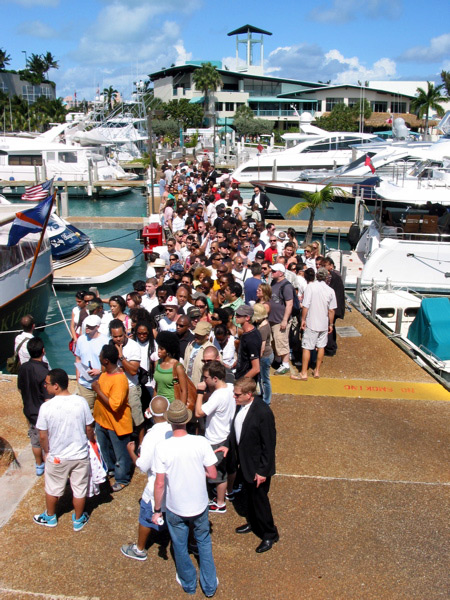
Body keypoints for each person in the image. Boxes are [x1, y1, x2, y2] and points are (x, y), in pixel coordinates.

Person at [152, 400, 218, 597]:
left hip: (175, 506)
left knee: (179, 545)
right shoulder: (201, 442)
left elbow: (159, 483)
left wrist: (157, 510)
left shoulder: (162, 447)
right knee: (203, 541)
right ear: (186, 421)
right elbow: (213, 474)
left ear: (170, 422)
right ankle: (209, 585)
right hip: (199, 504)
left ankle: (189, 583)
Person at [219, 377, 278, 553]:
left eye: (237, 395)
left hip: (257, 467)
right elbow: (235, 429)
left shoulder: (263, 413)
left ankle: (269, 533)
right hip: (244, 463)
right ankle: (253, 523)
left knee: (260, 501)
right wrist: (228, 445)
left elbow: (269, 445)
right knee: (248, 498)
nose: (234, 397)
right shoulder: (241, 405)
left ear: (249, 394)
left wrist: (262, 471)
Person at [33, 368, 95, 530]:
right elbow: (89, 428)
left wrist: (47, 452)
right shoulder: (81, 402)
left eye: (47, 383)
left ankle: (50, 516)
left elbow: (43, 435)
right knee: (79, 489)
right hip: (80, 455)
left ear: (56, 386)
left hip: (57, 456)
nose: (45, 386)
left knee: (53, 488)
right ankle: (78, 519)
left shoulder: (46, 407)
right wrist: (92, 441)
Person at [121, 396, 172, 561]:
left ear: (151, 412)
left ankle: (140, 549)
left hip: (156, 486)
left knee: (146, 517)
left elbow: (143, 466)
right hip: (174, 486)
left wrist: (131, 452)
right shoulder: (175, 429)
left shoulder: (151, 436)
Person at [195, 361, 235, 514]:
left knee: (218, 474)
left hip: (216, 438)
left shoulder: (217, 396)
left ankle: (220, 503)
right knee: (227, 468)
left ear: (215, 378)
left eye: (206, 378)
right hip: (226, 435)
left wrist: (200, 393)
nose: (204, 380)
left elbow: (199, 412)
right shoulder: (229, 388)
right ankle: (228, 492)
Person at [91, 344, 133, 492]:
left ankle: (122, 478)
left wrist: (97, 390)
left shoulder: (119, 380)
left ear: (106, 360)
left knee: (121, 453)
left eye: (101, 355)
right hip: (102, 421)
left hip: (117, 423)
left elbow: (115, 405)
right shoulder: (104, 374)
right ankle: (111, 469)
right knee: (106, 449)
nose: (99, 357)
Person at [17, 337, 50, 476]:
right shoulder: (44, 372)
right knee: (46, 441)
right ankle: (49, 465)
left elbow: (20, 388)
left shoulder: (23, 368)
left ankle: (38, 465)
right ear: (43, 351)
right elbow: (47, 397)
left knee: (35, 441)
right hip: (42, 412)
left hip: (29, 410)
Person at [109, 319, 145, 446]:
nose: (118, 339)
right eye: (115, 337)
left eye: (120, 336)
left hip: (131, 387)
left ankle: (141, 445)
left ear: (125, 332)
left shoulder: (133, 347)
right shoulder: (110, 346)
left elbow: (133, 371)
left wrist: (121, 356)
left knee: (137, 419)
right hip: (115, 389)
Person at [299, 267, 337, 380]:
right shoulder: (330, 290)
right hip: (323, 323)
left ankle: (304, 372)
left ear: (317, 276)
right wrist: (331, 324)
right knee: (321, 346)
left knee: (307, 347)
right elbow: (331, 310)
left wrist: (303, 319)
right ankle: (317, 371)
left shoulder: (310, 287)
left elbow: (306, 305)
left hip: (312, 322)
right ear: (326, 277)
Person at [74, 315, 109, 410]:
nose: (87, 328)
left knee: (102, 411)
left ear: (97, 327)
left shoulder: (106, 341)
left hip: (101, 384)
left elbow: (110, 363)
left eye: (91, 326)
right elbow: (78, 359)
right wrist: (78, 379)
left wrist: (100, 371)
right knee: (87, 411)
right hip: (84, 384)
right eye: (87, 326)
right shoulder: (81, 340)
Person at [269, 264, 294, 376]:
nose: (272, 272)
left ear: (281, 273)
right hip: (272, 319)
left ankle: (285, 364)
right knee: (274, 341)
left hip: (280, 320)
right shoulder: (273, 282)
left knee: (281, 341)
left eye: (274, 271)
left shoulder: (286, 286)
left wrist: (285, 320)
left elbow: (289, 304)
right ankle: (278, 360)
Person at [154, 331, 188, 404]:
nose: (158, 351)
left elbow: (184, 390)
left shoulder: (177, 367)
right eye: (158, 348)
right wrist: (153, 403)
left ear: (168, 351)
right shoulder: (157, 363)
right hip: (159, 404)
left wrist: (181, 408)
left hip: (173, 405)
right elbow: (156, 387)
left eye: (161, 349)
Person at [322, 257, 346, 357]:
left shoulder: (332, 277)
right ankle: (332, 346)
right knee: (331, 326)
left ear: (330, 266)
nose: (322, 267)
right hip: (336, 306)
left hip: (333, 307)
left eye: (324, 266)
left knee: (329, 327)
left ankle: (330, 348)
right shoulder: (336, 275)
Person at [252, 303, 273, 405]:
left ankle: (266, 400)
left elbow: (262, 347)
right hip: (266, 356)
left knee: (265, 380)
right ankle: (263, 396)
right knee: (262, 379)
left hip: (265, 356)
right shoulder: (263, 323)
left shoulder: (263, 328)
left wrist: (258, 358)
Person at [234, 305, 261, 383]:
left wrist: (241, 382)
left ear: (247, 318)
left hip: (246, 381)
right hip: (240, 375)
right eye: (236, 314)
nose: (236, 317)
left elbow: (256, 369)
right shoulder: (247, 333)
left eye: (239, 315)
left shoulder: (251, 338)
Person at [184, 321, 214, 386]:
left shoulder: (212, 351)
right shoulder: (190, 345)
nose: (196, 336)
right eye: (196, 333)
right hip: (187, 385)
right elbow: (185, 365)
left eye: (200, 335)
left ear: (207, 335)